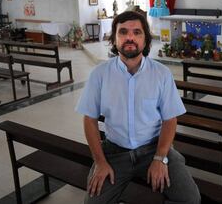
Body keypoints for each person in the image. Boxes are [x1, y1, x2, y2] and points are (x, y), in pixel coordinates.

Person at [76, 11, 200, 204]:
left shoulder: (161, 74)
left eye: (137, 32)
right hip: (114, 153)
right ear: (114, 39)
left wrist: (160, 159)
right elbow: (89, 119)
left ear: (146, 39)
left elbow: (170, 119)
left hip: (154, 149)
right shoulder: (99, 75)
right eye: (123, 32)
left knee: (190, 199)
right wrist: (100, 162)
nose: (130, 37)